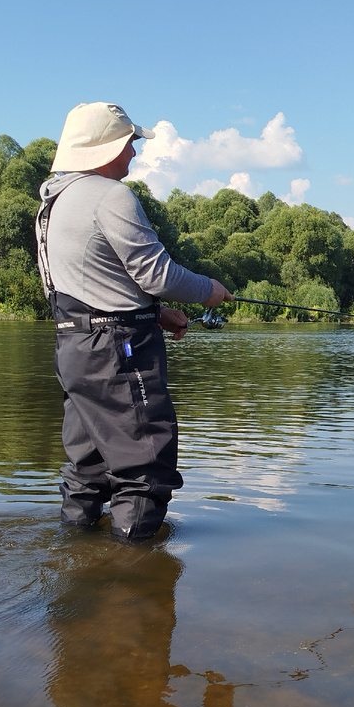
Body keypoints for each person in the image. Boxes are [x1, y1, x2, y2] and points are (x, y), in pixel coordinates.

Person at [37, 102, 232, 541]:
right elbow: (157, 274)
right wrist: (209, 290)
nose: (134, 152)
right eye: (129, 142)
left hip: (74, 347)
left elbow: (84, 281)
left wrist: (154, 313)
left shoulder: (54, 201)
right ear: (104, 147)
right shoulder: (111, 196)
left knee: (87, 468)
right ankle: (127, 574)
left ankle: (75, 557)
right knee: (147, 468)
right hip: (118, 351)